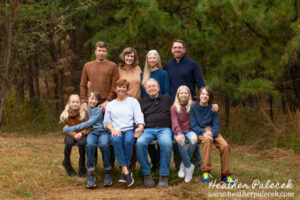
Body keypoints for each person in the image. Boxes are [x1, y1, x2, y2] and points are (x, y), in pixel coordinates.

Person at [63, 91, 112, 188]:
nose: (93, 101)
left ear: (98, 101)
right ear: (87, 100)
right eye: (91, 98)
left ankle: (107, 172)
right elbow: (81, 123)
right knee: (89, 145)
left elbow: (88, 123)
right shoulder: (84, 110)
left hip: (102, 131)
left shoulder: (99, 110)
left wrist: (70, 129)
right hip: (91, 132)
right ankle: (90, 173)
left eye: (95, 99)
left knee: (104, 145)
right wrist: (72, 130)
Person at [103, 79, 144, 187]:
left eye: (124, 87)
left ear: (127, 89)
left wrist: (140, 127)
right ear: (115, 89)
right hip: (116, 130)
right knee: (116, 140)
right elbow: (106, 122)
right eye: (119, 87)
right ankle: (126, 170)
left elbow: (139, 117)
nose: (121, 89)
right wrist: (112, 130)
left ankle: (123, 171)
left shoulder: (133, 101)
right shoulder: (111, 104)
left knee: (129, 141)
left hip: (129, 129)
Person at [190, 86, 235, 185]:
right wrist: (203, 132)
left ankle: (225, 175)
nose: (204, 96)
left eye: (207, 94)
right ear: (199, 95)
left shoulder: (213, 108)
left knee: (225, 146)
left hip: (213, 131)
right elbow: (193, 125)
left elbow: (216, 125)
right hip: (201, 131)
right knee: (207, 141)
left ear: (210, 97)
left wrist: (212, 133)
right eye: (202, 94)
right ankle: (206, 172)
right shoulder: (194, 107)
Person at [136, 78, 173, 188]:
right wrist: (137, 128)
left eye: (154, 86)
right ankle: (146, 173)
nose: (152, 88)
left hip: (164, 129)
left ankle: (164, 175)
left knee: (166, 143)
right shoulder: (141, 102)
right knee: (140, 143)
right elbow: (137, 117)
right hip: (148, 130)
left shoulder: (167, 99)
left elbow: (182, 105)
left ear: (158, 87)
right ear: (145, 89)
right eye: (149, 87)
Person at [141, 50, 170, 171]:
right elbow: (143, 93)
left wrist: (164, 105)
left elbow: (166, 90)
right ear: (147, 60)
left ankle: (158, 162)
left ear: (157, 59)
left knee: (162, 139)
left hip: (161, 105)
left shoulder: (163, 73)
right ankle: (155, 161)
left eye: (154, 58)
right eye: (149, 58)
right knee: (147, 135)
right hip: (148, 107)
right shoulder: (143, 74)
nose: (151, 60)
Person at [118, 47, 142, 170]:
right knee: (125, 134)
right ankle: (124, 163)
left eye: (132, 56)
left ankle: (133, 162)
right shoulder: (118, 70)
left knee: (135, 133)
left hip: (137, 104)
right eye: (127, 56)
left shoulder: (138, 69)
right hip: (124, 104)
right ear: (123, 56)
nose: (129, 58)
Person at [170, 86, 199, 183]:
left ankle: (184, 165)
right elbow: (174, 122)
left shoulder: (194, 105)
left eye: (186, 93)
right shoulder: (174, 108)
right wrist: (178, 133)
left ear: (189, 95)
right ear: (178, 95)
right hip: (179, 131)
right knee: (181, 141)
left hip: (190, 130)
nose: (184, 95)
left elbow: (204, 108)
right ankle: (189, 166)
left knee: (194, 139)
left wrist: (214, 107)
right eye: (181, 93)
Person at [80, 41, 119, 110]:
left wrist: (108, 100)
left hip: (107, 103)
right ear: (95, 52)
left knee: (106, 121)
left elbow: (114, 85)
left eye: (104, 51)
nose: (101, 53)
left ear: (107, 52)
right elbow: (83, 84)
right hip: (91, 102)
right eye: (99, 51)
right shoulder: (87, 66)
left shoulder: (112, 66)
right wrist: (83, 101)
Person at [60, 94, 90, 177]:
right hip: (71, 134)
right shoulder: (66, 114)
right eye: (73, 102)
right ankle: (66, 162)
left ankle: (82, 167)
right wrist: (74, 134)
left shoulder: (84, 112)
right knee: (68, 142)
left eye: (77, 102)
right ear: (69, 103)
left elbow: (88, 126)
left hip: (82, 134)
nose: (75, 104)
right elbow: (65, 128)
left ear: (80, 103)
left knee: (82, 143)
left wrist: (82, 133)